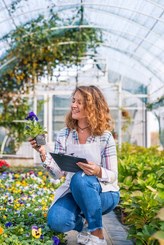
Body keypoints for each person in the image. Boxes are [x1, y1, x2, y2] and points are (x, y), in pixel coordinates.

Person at [28, 85, 120, 245]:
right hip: (74, 191)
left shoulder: (104, 136)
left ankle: (97, 234)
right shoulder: (65, 134)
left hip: (104, 193)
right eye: (73, 101)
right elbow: (57, 173)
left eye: (79, 102)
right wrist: (43, 152)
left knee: (81, 178)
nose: (73, 105)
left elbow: (113, 175)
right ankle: (85, 224)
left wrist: (97, 171)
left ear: (92, 107)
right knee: (57, 221)